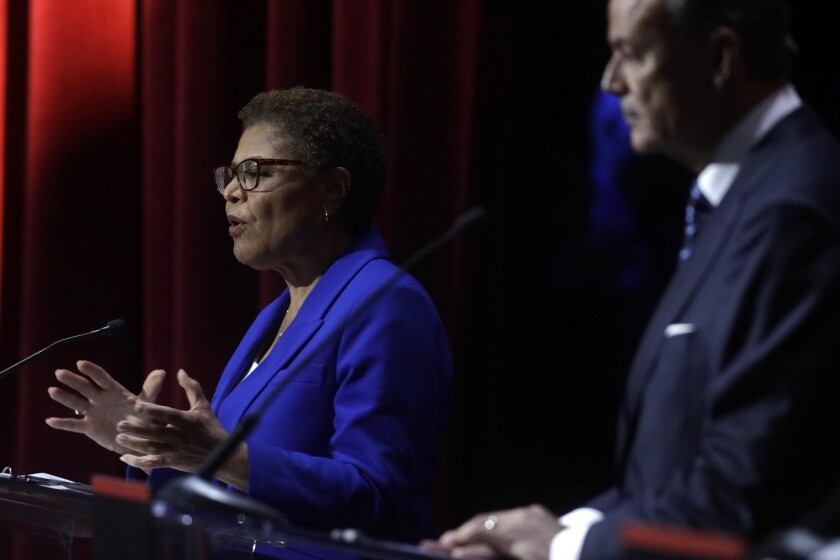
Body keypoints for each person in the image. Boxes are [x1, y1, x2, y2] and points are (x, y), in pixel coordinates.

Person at [428, 0, 840, 558]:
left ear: (721, 56)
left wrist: (568, 549)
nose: (611, 81)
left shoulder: (793, 209)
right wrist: (556, 532)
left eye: (632, 53)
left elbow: (744, 490)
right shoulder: (741, 197)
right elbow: (673, 467)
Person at [44, 87, 454, 548]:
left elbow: (380, 496)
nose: (232, 192)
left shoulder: (386, 303)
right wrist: (150, 446)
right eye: (231, 176)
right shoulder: (271, 318)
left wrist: (221, 456)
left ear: (334, 188)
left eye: (256, 173)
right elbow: (225, 490)